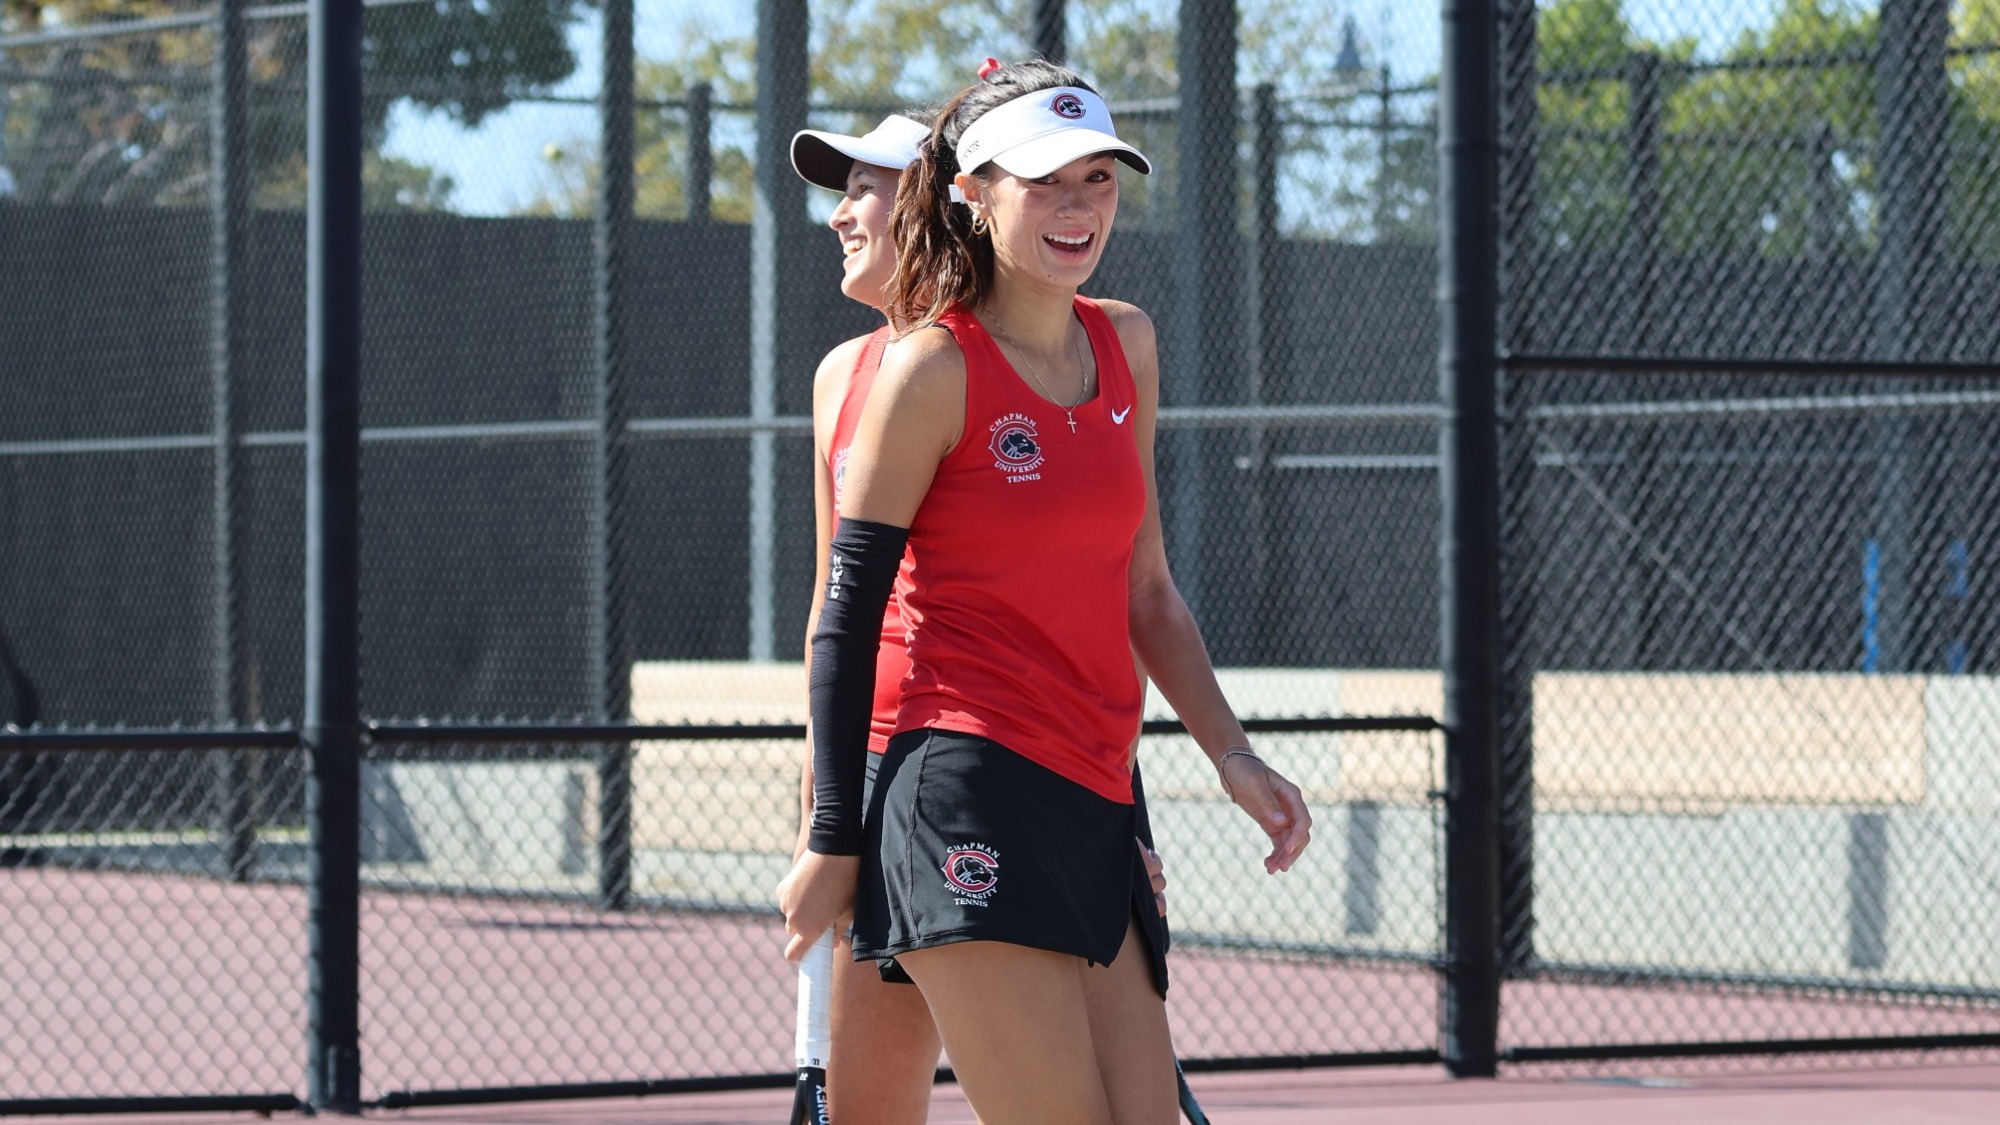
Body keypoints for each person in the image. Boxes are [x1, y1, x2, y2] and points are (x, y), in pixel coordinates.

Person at [780, 58, 1314, 1122]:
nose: (1079, 206)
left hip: (1091, 796)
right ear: (973, 193)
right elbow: (843, 620)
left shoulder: (1127, 343)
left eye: (1097, 178)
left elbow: (1146, 592)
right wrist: (830, 833)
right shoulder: (925, 371)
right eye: (1046, 181)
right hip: (957, 789)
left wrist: (1232, 754)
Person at [787, 109, 1174, 1124]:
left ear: (933, 195)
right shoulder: (844, 378)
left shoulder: (1046, 352)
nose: (840, 215)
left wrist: (1124, 812)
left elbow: (1089, 607)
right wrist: (825, 810)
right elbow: (835, 608)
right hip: (893, 782)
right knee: (871, 1106)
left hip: (1004, 772)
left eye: (863, 188)